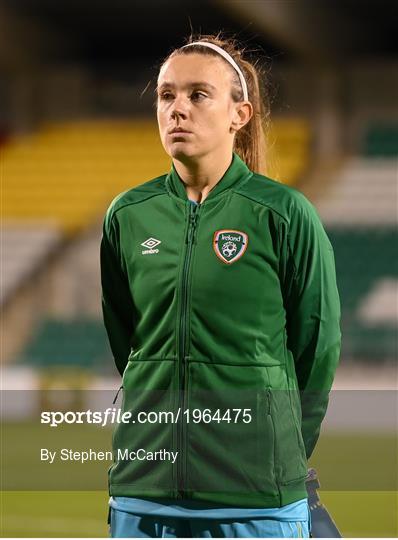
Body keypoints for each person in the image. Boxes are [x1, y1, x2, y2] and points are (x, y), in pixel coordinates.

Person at [100, 34, 341, 538]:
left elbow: (317, 350)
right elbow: (131, 344)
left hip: (254, 499)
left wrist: (279, 449)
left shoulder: (284, 214)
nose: (177, 109)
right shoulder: (127, 216)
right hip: (144, 495)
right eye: (166, 95)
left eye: (197, 95)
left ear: (240, 114)